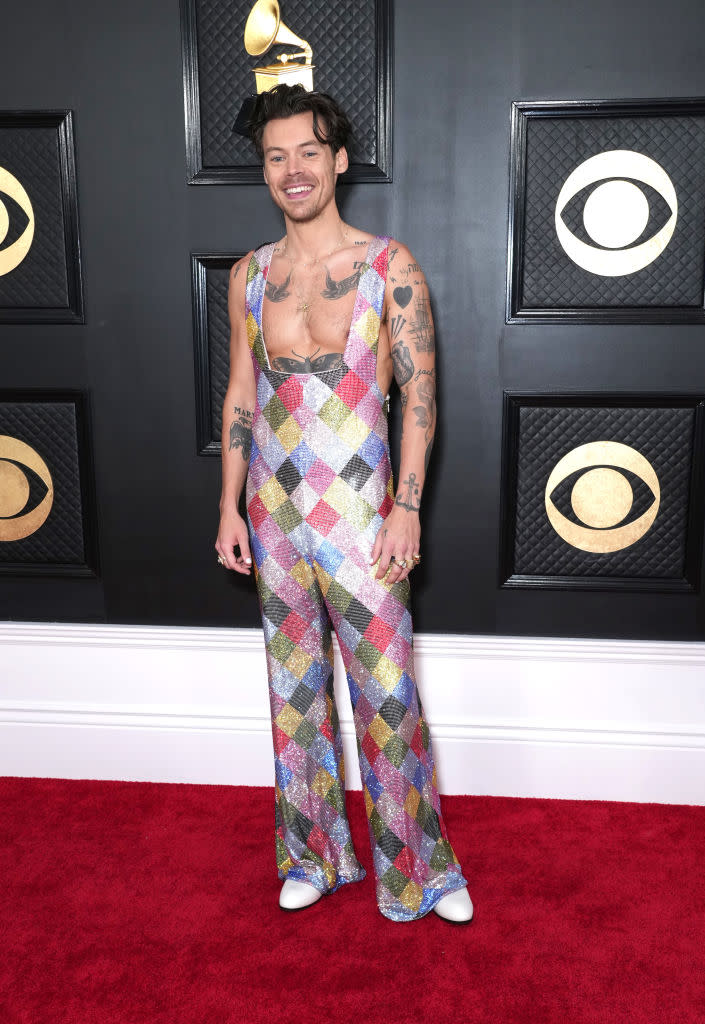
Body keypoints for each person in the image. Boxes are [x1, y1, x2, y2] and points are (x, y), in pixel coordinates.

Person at [215, 84, 473, 924]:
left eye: (308, 153)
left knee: (389, 695)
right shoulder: (250, 276)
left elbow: (422, 393)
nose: (293, 170)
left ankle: (423, 872)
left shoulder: (387, 266)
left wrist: (407, 506)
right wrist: (229, 507)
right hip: (274, 516)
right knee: (293, 695)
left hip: (364, 515)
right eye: (276, 156)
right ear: (266, 170)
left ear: (339, 160)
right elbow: (241, 395)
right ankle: (315, 854)